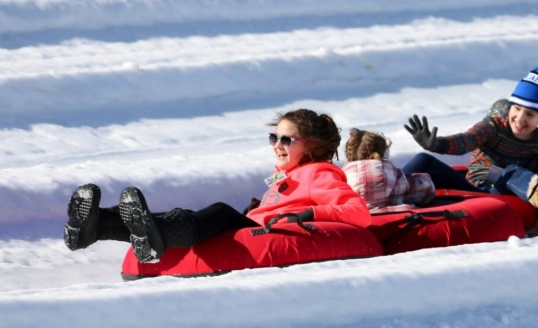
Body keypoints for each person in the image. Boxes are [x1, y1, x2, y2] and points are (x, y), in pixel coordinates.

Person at [63, 109, 371, 263]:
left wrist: (307, 215)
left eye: (286, 140)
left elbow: (358, 212)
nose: (277, 145)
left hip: (272, 233)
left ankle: (153, 236)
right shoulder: (286, 175)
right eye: (273, 137)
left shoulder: (319, 173)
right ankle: (99, 224)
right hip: (259, 228)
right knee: (193, 216)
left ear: (313, 145)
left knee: (221, 212)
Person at [402, 65, 538, 228]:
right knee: (423, 160)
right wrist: (437, 144)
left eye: (530, 114)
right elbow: (467, 140)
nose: (520, 118)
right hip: (473, 187)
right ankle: (390, 189)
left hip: (505, 194)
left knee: (512, 171)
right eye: (517, 108)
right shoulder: (493, 126)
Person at [342, 128, 435, 212]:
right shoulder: (397, 183)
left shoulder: (341, 185)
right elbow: (427, 188)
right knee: (423, 159)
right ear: (375, 157)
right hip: (399, 220)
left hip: (364, 219)